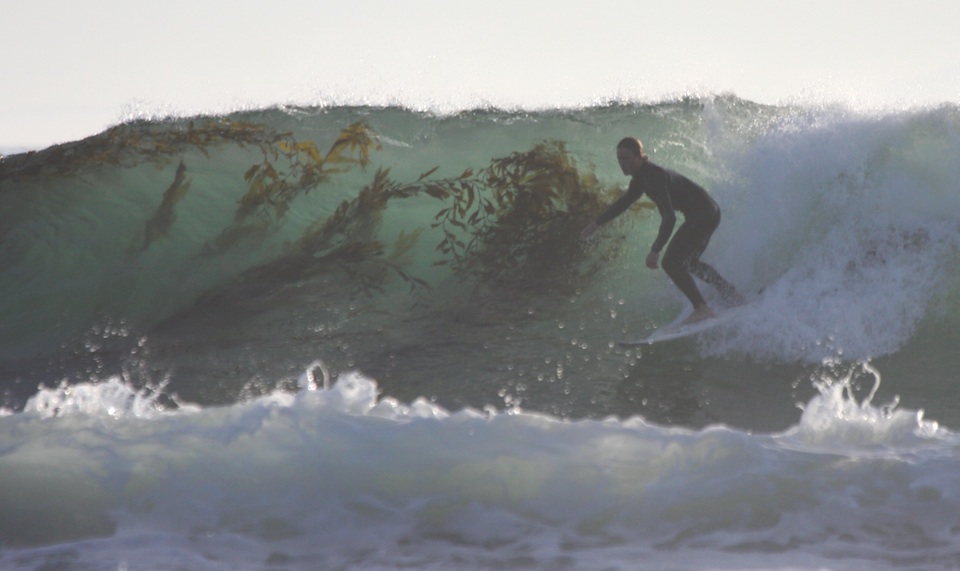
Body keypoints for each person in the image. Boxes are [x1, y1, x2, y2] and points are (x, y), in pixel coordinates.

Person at [580, 137, 742, 325]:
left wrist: (655, 249)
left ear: (640, 157)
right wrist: (596, 223)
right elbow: (624, 203)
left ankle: (701, 308)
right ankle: (731, 294)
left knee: (671, 263)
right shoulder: (641, 178)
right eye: (619, 159)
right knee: (689, 262)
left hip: (703, 215)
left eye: (626, 158)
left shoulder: (653, 177)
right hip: (709, 212)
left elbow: (669, 217)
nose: (622, 164)